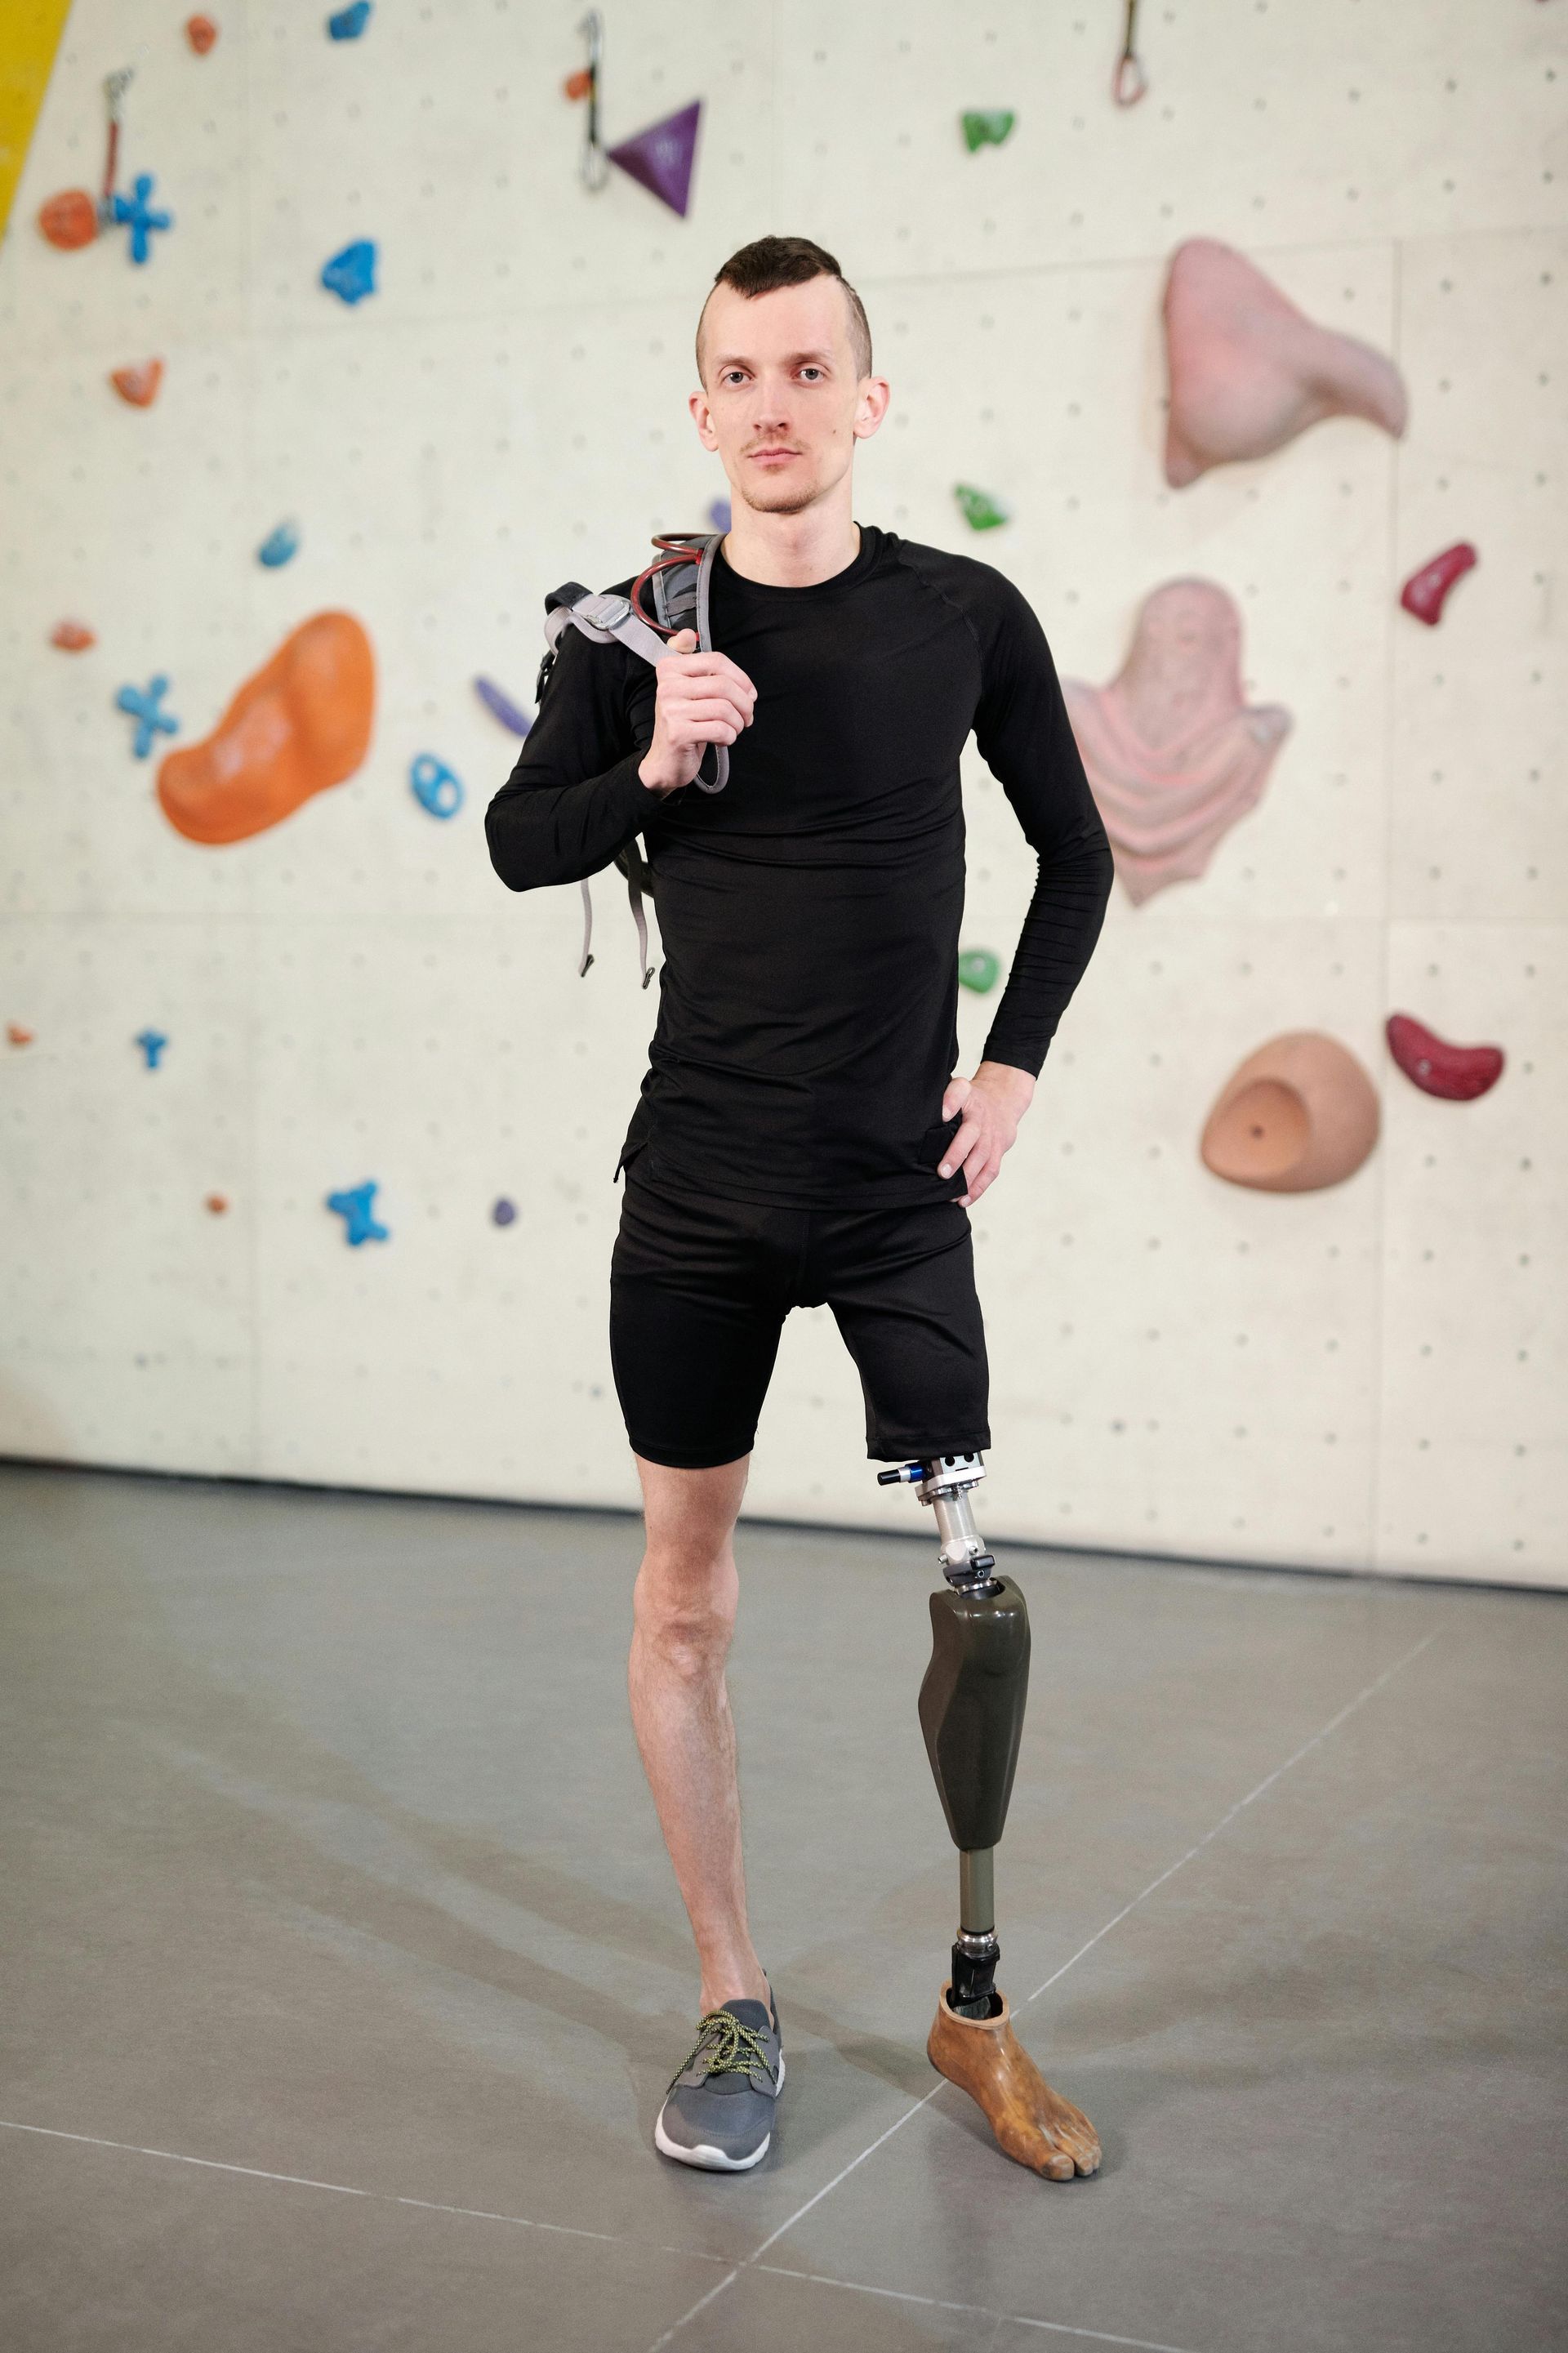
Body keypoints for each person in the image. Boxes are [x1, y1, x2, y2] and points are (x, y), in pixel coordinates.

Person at [484, 234, 1114, 2173]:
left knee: (980, 1607)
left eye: (807, 370)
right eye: (738, 376)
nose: (774, 405)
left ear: (868, 400)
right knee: (687, 1599)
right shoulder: (628, 637)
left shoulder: (962, 616)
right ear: (702, 411)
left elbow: (1075, 851)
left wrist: (1008, 1069)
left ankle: (976, 2012)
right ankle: (733, 1998)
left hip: (894, 1189)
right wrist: (660, 759)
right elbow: (523, 845)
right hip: (696, 1192)